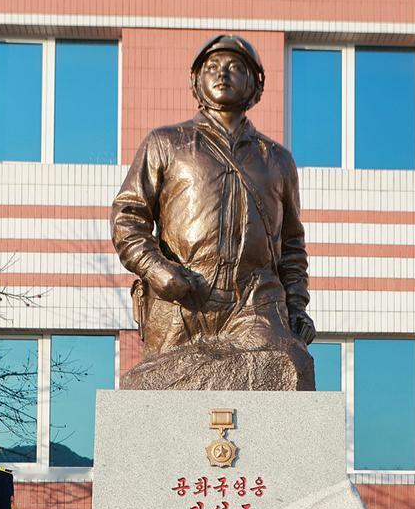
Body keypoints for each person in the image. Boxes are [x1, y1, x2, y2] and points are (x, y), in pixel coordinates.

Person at [111, 33, 315, 386]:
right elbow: (128, 219)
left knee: (283, 367)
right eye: (212, 67)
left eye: (236, 67)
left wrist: (296, 307)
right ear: (196, 80)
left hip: (255, 300)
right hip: (182, 298)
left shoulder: (277, 159)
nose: (222, 74)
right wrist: (158, 271)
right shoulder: (166, 143)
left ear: (255, 84)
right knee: (161, 388)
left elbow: (292, 247)